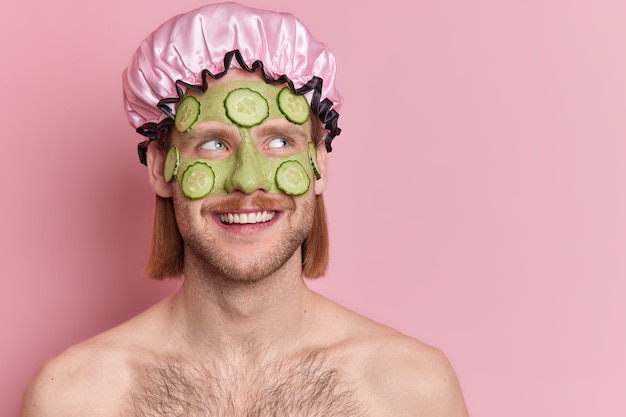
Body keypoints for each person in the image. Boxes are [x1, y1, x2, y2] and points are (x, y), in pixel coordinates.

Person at [20, 3, 469, 416]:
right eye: (214, 144)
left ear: (318, 166)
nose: (248, 180)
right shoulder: (76, 398)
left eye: (279, 142)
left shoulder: (411, 390)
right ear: (160, 167)